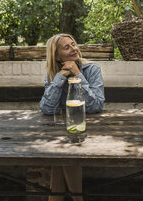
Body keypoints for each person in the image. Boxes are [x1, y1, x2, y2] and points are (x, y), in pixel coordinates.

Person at [40, 33, 105, 201]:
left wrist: (78, 74)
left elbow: (95, 106)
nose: (74, 49)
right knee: (63, 150)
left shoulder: (92, 70)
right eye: (66, 47)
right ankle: (78, 198)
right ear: (56, 55)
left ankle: (70, 198)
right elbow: (47, 108)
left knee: (64, 153)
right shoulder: (53, 74)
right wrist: (61, 76)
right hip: (62, 129)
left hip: (89, 130)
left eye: (74, 44)